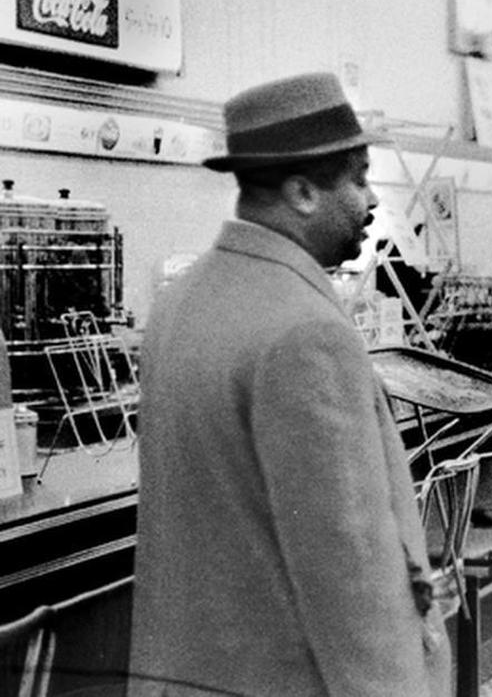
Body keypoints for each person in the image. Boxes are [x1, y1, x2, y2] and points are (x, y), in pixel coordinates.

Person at [129, 73, 451, 697]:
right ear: (302, 192)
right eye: (359, 179)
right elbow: (350, 576)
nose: (372, 201)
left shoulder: (179, 302)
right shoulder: (307, 332)